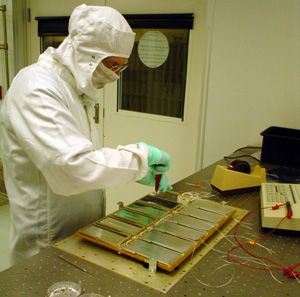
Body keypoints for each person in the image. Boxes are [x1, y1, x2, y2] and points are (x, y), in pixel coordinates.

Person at [0, 4, 172, 265]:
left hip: (79, 235)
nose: (115, 76)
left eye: (121, 67)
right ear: (86, 53)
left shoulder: (77, 91)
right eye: (112, 64)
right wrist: (138, 160)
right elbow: (70, 169)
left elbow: (84, 154)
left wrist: (133, 171)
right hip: (44, 245)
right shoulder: (36, 87)